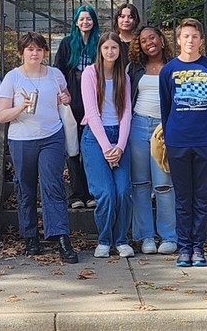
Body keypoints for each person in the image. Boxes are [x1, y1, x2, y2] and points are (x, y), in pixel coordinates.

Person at [0, 32, 79, 263]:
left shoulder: (55, 74)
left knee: (53, 185)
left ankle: (61, 237)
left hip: (52, 136)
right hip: (22, 139)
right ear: (21, 53)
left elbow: (65, 97)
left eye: (39, 49)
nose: (35, 53)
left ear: (44, 52)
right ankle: (30, 236)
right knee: (25, 188)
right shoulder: (12, 78)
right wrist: (21, 107)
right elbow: (3, 116)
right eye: (30, 49)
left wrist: (65, 99)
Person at [159, 18, 207, 268]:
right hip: (178, 141)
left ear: (201, 40)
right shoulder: (169, 70)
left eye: (195, 36)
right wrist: (169, 137)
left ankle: (198, 247)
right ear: (178, 40)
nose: (190, 40)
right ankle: (183, 247)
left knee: (200, 197)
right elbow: (166, 108)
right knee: (182, 198)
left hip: (205, 141)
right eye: (185, 36)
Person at [81, 32, 134, 258]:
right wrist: (106, 148)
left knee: (123, 191)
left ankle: (121, 239)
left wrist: (120, 147)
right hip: (95, 138)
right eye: (106, 48)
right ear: (100, 51)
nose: (110, 52)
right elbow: (92, 113)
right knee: (105, 192)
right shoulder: (90, 74)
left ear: (119, 51)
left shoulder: (125, 77)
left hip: (119, 136)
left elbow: (126, 114)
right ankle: (104, 240)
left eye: (114, 48)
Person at [129, 26, 178, 255]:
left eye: (152, 37)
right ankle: (146, 237)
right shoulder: (135, 69)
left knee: (164, 184)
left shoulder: (175, 66)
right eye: (144, 40)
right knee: (140, 184)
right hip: (138, 125)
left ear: (160, 39)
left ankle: (169, 236)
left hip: (164, 127)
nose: (149, 42)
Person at [55, 5, 100, 209]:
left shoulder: (99, 42)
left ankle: (92, 192)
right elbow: (58, 71)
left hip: (94, 100)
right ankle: (76, 194)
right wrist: (62, 93)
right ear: (76, 22)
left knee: (90, 148)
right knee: (72, 149)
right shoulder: (67, 43)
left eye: (89, 19)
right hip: (72, 100)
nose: (85, 22)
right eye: (81, 19)